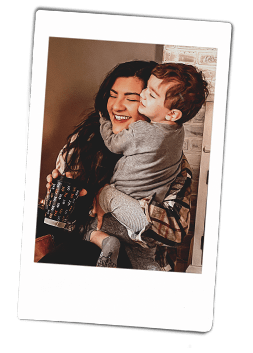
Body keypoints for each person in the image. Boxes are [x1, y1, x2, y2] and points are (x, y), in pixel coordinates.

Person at [92, 62, 208, 261]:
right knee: (144, 258)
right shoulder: (177, 133)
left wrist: (109, 197)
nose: (117, 105)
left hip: (130, 224)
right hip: (139, 239)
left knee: (87, 224)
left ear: (172, 114)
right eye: (112, 95)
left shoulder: (177, 163)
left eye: (133, 98)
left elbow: (176, 232)